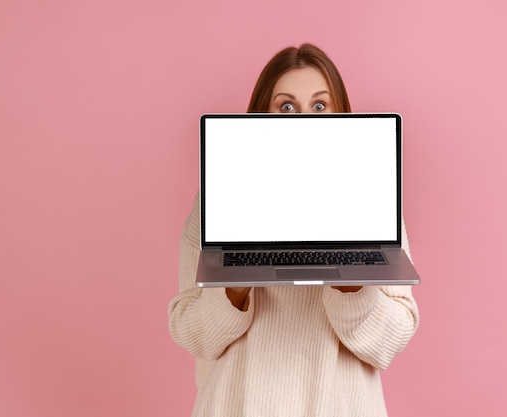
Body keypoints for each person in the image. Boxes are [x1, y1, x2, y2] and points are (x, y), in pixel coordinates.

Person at [168, 43, 419, 417]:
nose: (304, 118)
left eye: (320, 105)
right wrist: (234, 286)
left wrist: (350, 284)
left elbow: (389, 342)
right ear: (261, 115)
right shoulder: (217, 199)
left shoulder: (372, 201)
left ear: (340, 114)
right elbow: (192, 333)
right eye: (286, 106)